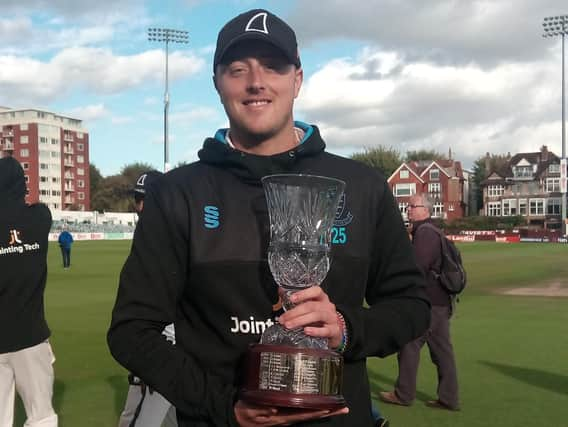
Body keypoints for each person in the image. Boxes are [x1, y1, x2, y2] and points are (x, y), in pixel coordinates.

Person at [108, 8, 430, 426]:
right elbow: (132, 332)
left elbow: (411, 305)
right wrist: (223, 406)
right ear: (216, 83)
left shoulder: (361, 186)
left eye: (273, 66)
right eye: (237, 69)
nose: (256, 81)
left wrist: (345, 329)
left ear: (297, 79)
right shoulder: (178, 193)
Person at [379, 193, 459, 411]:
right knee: (442, 351)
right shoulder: (432, 231)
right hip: (440, 301)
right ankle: (449, 398)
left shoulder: (425, 233)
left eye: (412, 206)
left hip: (429, 302)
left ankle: (404, 394)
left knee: (410, 344)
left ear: (425, 209)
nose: (408, 210)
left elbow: (417, 267)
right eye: (408, 206)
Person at [117, 170, 178, 427]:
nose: (140, 205)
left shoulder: (178, 232)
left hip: (167, 343)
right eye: (137, 198)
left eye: (146, 199)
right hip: (155, 342)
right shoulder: (147, 233)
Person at [0, 156, 58, 427]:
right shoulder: (40, 218)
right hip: (31, 335)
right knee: (42, 416)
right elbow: (39, 207)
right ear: (22, 186)